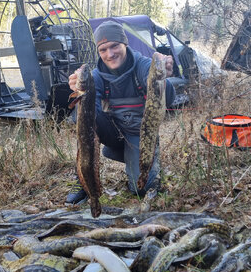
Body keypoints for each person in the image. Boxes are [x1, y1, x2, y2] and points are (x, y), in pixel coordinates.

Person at [66, 20, 175, 205]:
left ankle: (144, 161)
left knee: (140, 189)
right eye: (103, 49)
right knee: (85, 120)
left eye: (114, 46)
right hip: (115, 133)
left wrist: (164, 77)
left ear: (125, 43)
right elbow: (87, 118)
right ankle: (83, 182)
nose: (110, 54)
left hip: (140, 135)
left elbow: (169, 99)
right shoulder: (96, 77)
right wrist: (80, 93)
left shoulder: (143, 66)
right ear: (98, 52)